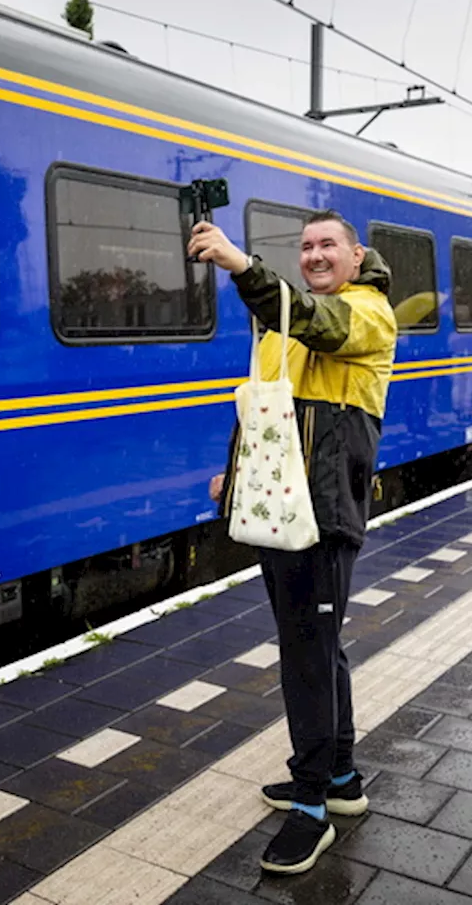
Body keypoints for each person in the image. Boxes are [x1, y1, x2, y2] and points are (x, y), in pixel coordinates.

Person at [194, 210, 396, 874]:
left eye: (327, 245)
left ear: (355, 255)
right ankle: (339, 780)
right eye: (306, 246)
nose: (314, 255)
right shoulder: (284, 326)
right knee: (315, 644)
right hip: (278, 509)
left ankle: (311, 807)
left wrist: (238, 263)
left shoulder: (366, 313)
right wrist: (239, 464)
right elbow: (263, 406)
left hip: (325, 511)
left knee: (307, 654)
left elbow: (319, 323)